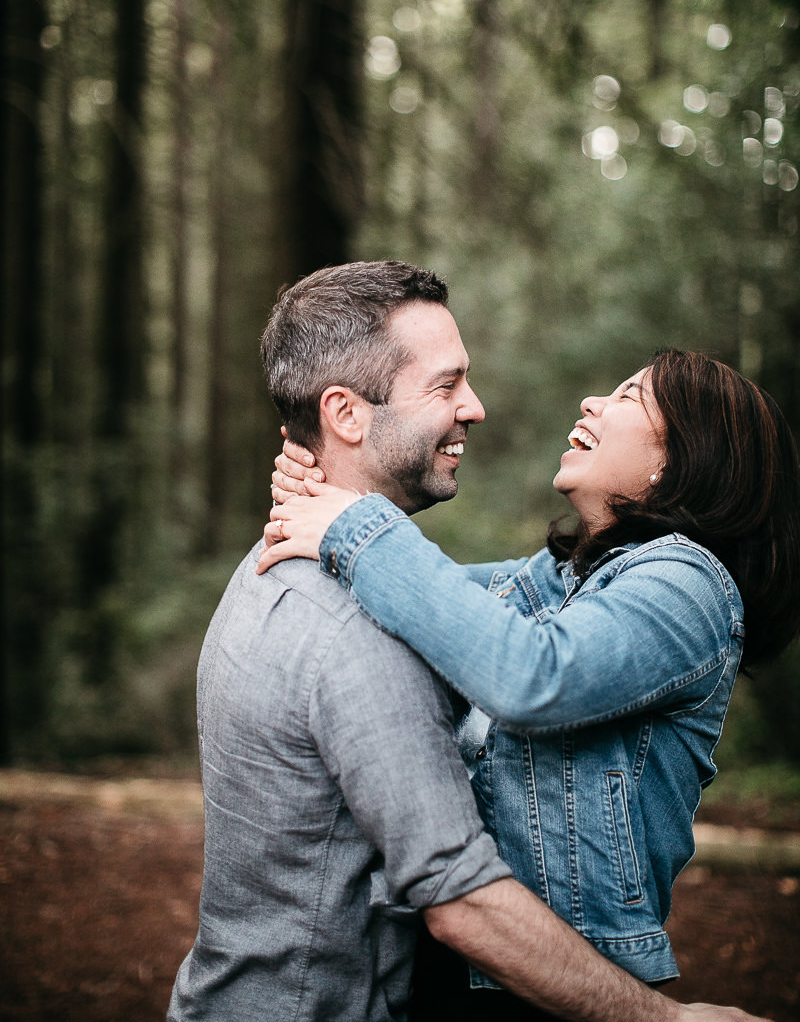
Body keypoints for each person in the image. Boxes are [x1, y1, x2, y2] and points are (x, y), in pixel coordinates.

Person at [169, 261, 768, 1022]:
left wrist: (347, 520)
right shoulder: (551, 583)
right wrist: (330, 507)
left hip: (559, 975)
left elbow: (530, 671)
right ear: (346, 414)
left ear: (682, 459)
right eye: (447, 385)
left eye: (628, 397)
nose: (592, 399)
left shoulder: (684, 584)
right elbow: (451, 597)